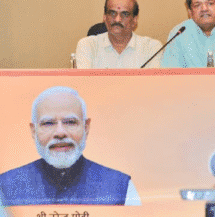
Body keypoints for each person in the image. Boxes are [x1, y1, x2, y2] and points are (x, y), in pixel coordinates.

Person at [0, 86, 140, 205]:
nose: (60, 133)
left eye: (70, 122)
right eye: (48, 123)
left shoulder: (121, 187)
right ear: (33, 131)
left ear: (86, 127)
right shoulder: (4, 186)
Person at [75, 0, 162, 68]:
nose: (117, 19)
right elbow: (85, 81)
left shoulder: (151, 47)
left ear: (134, 20)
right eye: (112, 13)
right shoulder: (88, 45)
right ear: (104, 17)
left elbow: (153, 82)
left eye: (124, 14)